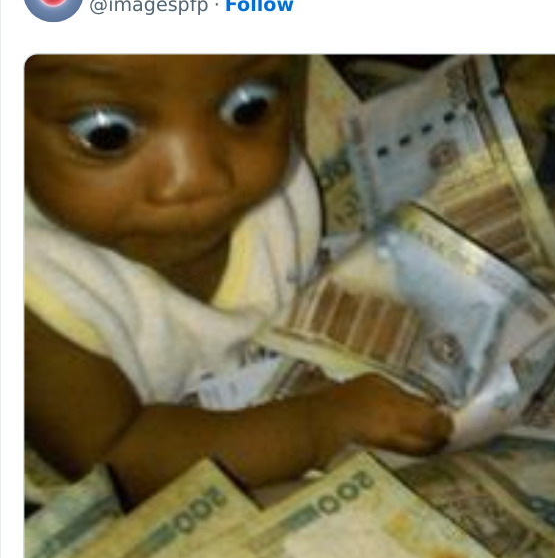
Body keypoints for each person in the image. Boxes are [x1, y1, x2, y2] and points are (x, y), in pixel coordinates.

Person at [25, 54, 451, 504]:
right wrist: (318, 427)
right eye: (106, 134)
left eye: (248, 106)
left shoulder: (274, 183)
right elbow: (117, 463)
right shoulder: (36, 288)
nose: (196, 178)